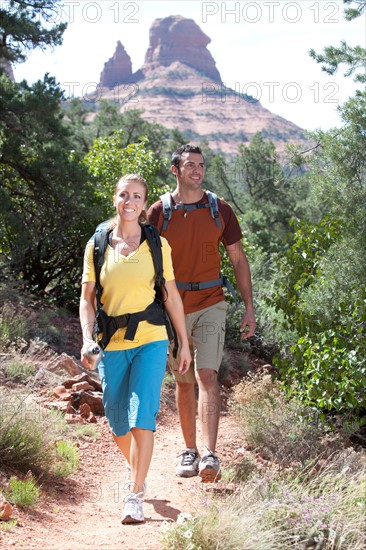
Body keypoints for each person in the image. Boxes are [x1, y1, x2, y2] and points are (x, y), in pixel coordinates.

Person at [79, 174, 191, 525]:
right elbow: (87, 298)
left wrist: (183, 342)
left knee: (142, 413)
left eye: (137, 196)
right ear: (115, 198)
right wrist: (86, 337)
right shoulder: (97, 245)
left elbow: (171, 295)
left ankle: (135, 492)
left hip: (151, 338)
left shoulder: (157, 244)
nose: (130, 201)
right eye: (124, 195)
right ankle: (138, 466)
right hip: (112, 342)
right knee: (115, 418)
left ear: (144, 204)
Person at [147, 144, 256, 482]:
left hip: (211, 303)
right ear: (175, 169)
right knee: (182, 381)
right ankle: (189, 450)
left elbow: (238, 259)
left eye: (201, 165)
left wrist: (249, 306)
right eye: (189, 164)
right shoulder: (158, 212)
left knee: (206, 376)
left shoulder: (219, 209)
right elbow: (144, 261)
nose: (197, 170)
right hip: (172, 310)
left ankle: (209, 453)